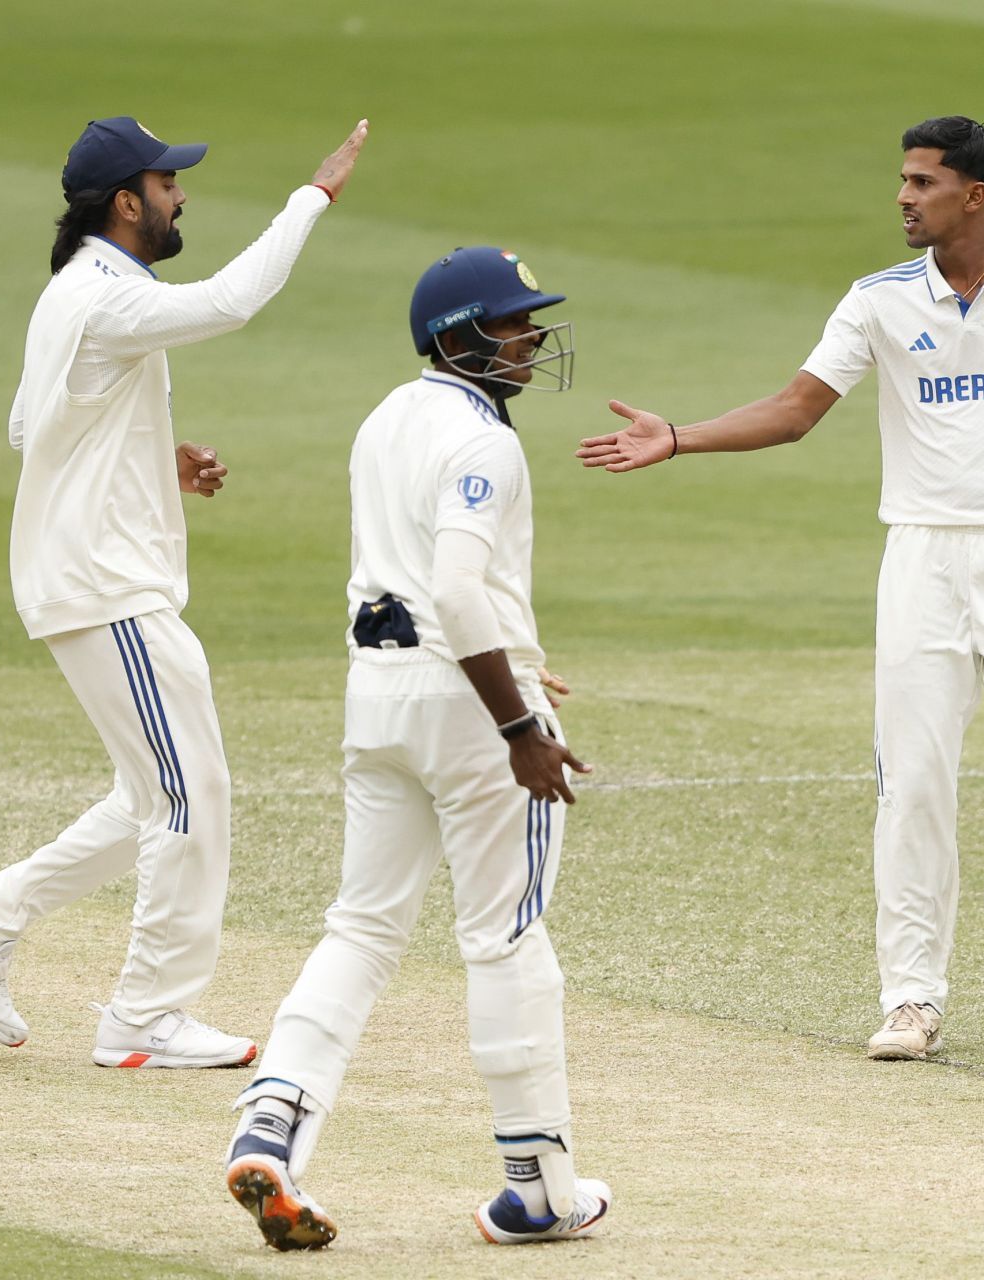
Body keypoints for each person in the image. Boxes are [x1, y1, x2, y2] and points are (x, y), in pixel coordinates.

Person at [576, 116, 984, 1060]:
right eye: (901, 181)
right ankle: (912, 998)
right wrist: (680, 436)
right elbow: (794, 411)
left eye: (922, 183)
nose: (903, 197)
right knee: (912, 782)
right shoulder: (877, 301)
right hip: (923, 558)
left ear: (972, 196)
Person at [0, 114, 369, 1069]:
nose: (181, 194)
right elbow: (234, 300)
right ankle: (146, 1018)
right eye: (168, 183)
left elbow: (32, 430)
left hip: (93, 584)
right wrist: (310, 197)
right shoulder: (103, 299)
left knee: (149, 798)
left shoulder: (78, 294)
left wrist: (157, 463)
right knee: (190, 800)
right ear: (127, 202)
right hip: (106, 590)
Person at [220, 247, 609, 1251]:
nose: (530, 337)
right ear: (459, 336)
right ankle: (537, 1186)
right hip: (470, 712)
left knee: (360, 927)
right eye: (514, 322)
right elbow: (454, 589)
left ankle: (272, 1123)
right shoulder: (488, 445)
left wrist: (519, 655)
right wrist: (519, 722)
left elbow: (418, 579)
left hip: (378, 699)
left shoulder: (386, 416)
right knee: (504, 935)